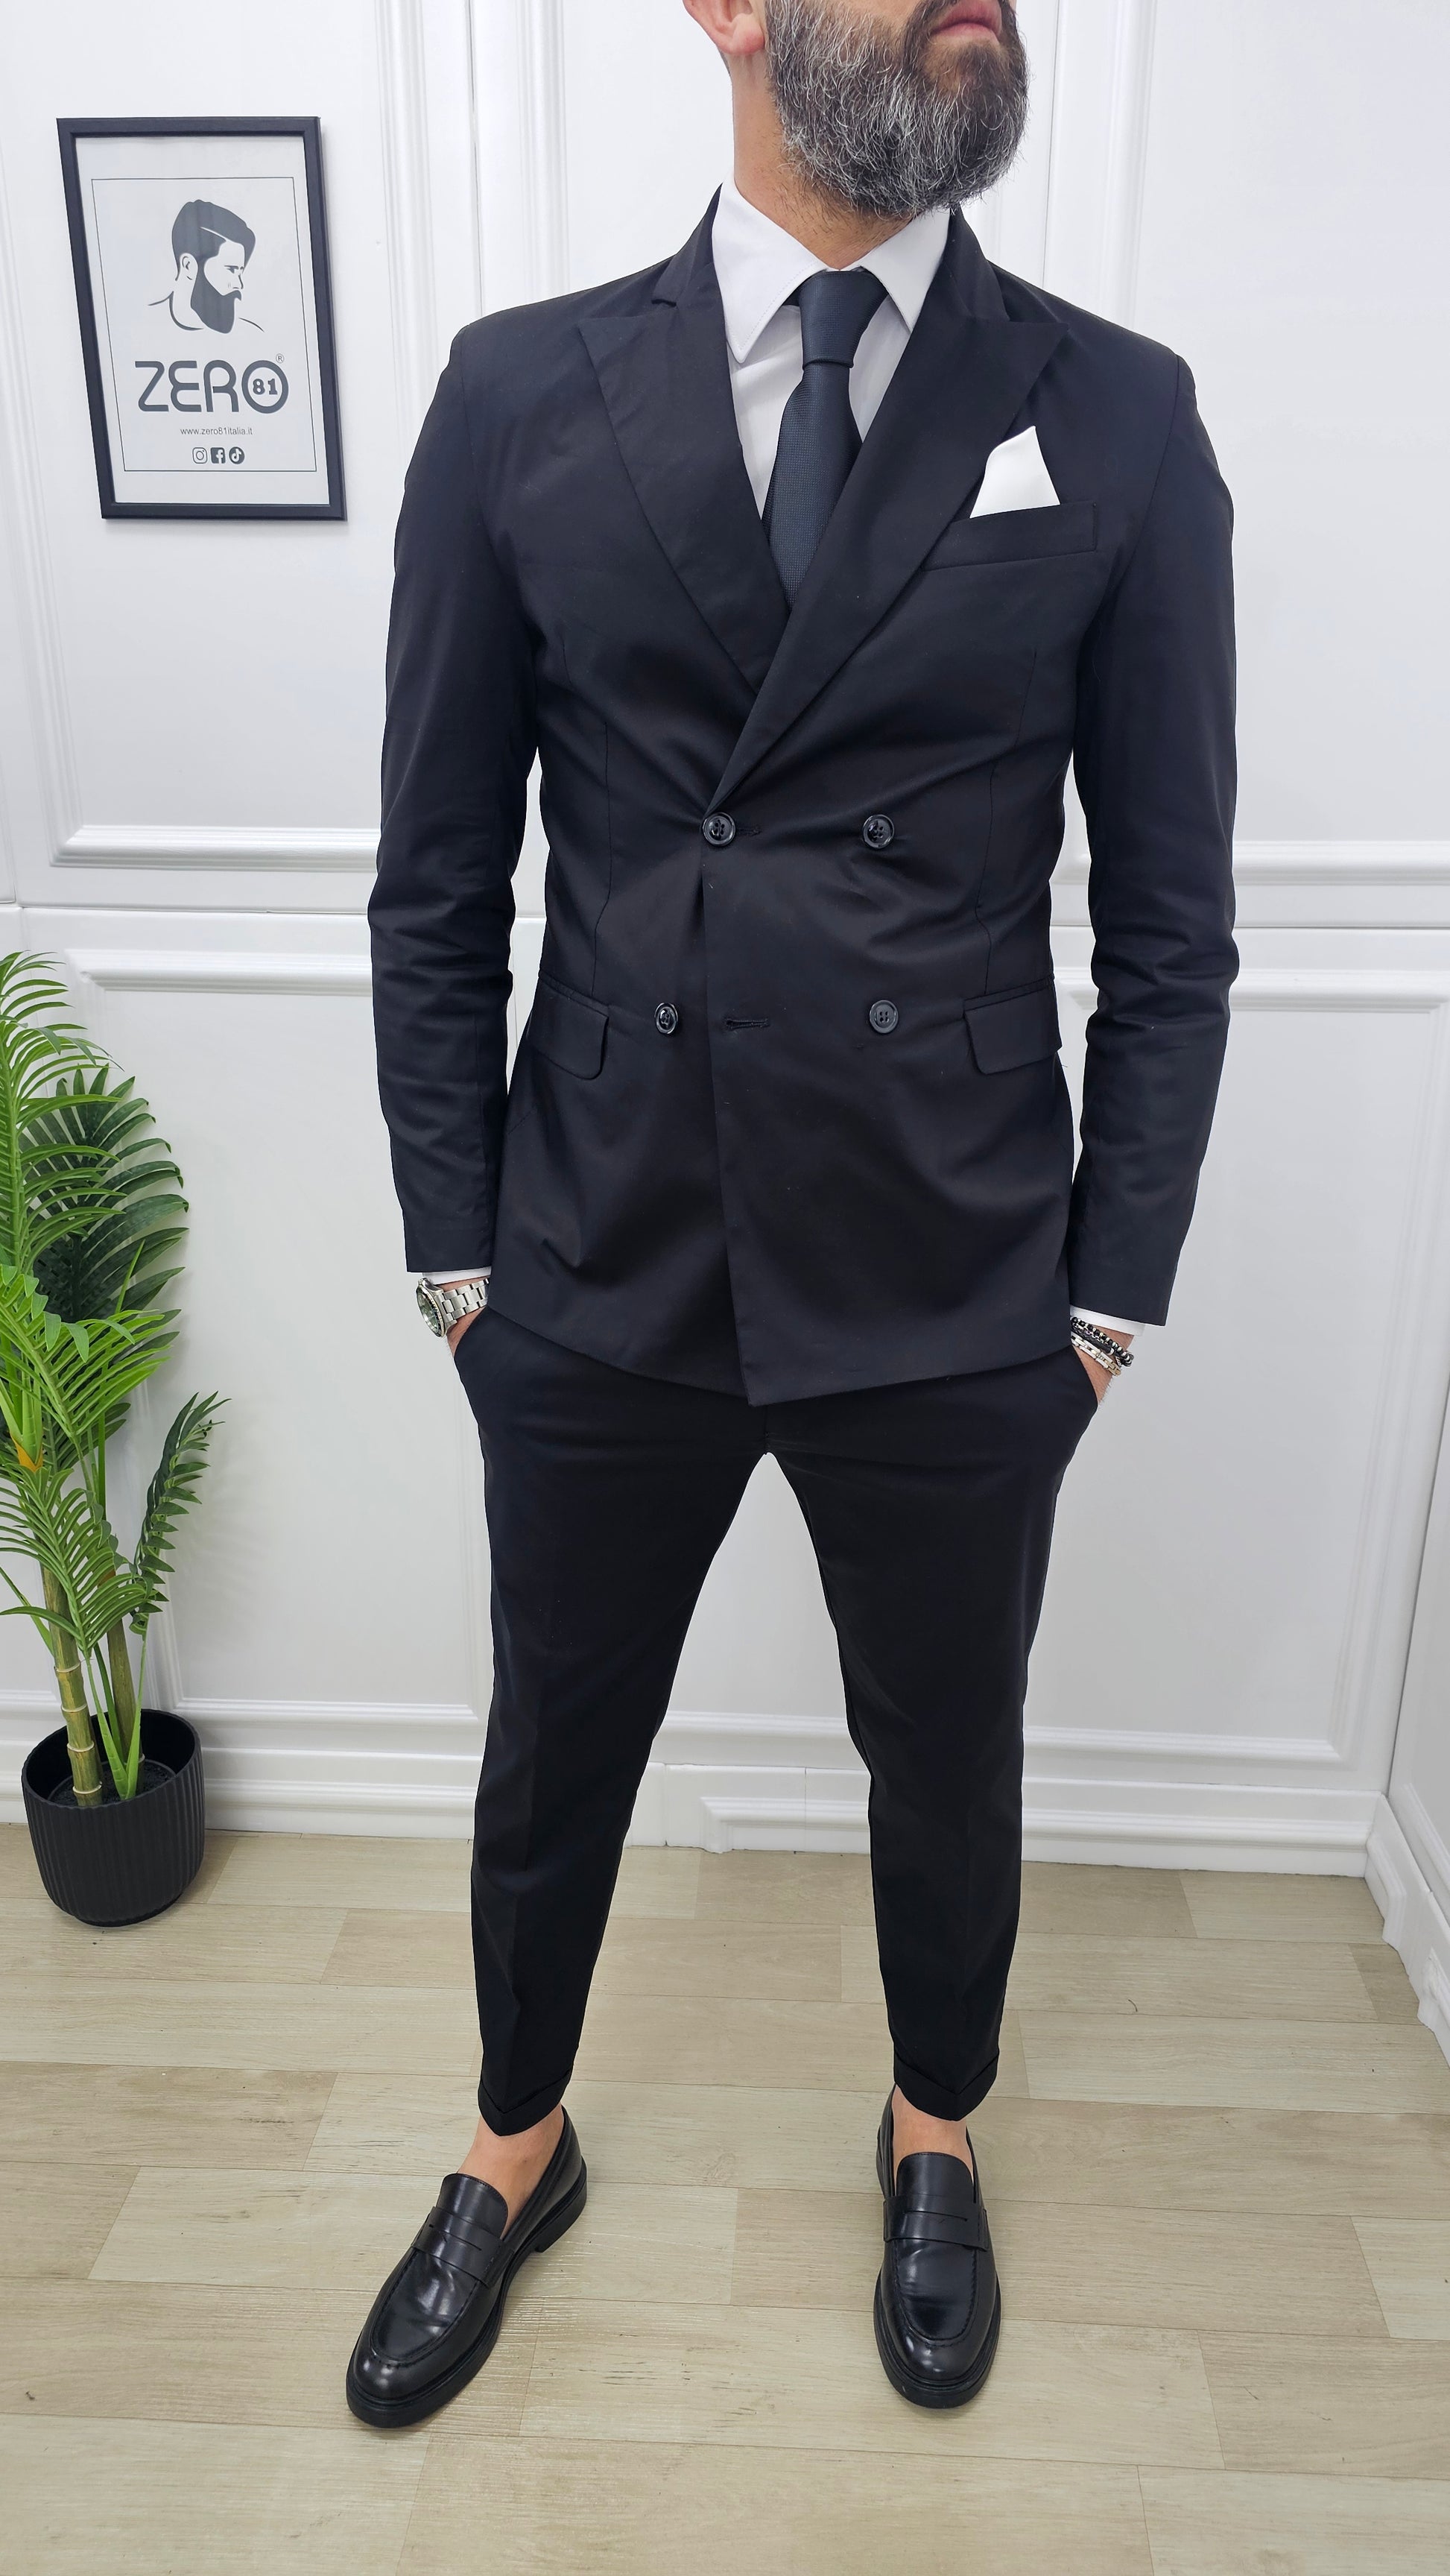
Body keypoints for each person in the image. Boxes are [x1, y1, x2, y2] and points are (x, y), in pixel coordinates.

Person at [352, 0, 1236, 2426]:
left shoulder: (1113, 409)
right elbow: (434, 877)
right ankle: (513, 2141)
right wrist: (459, 1258)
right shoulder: (519, 393)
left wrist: (1104, 1303)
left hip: (955, 1271)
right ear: (727, 11)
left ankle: (932, 2124)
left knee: (946, 1752)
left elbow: (1170, 922)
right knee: (554, 1747)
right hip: (593, 1253)